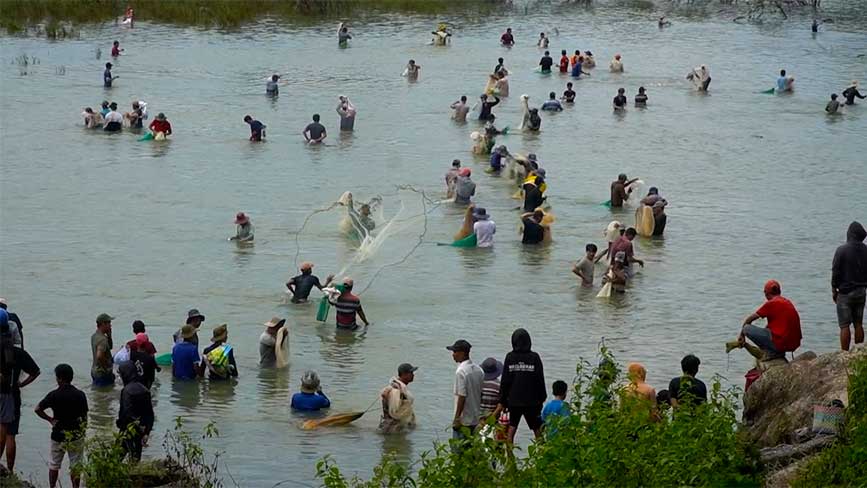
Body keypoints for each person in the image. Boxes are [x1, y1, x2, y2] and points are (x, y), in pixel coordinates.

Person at [34, 364, 86, 488]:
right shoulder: (80, 394)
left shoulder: (53, 394)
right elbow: (85, 416)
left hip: (58, 434)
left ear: (60, 379)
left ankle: (52, 486)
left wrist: (50, 419)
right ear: (71, 377)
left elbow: (37, 409)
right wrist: (83, 430)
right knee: (76, 465)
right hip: (76, 434)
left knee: (54, 464)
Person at [0, 312, 40, 472]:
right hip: (11, 394)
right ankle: (10, 471)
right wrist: (21, 384)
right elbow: (35, 372)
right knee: (10, 433)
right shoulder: (16, 352)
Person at [493, 328, 546, 443]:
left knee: (511, 431)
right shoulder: (534, 357)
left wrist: (503, 400)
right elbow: (539, 379)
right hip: (532, 401)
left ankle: (510, 458)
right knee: (538, 431)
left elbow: (505, 381)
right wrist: (542, 398)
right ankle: (543, 455)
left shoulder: (510, 357)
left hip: (514, 401)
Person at [729, 280, 802, 361]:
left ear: (766, 293)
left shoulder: (771, 303)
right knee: (767, 328)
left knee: (746, 328)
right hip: (792, 344)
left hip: (780, 343)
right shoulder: (787, 302)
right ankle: (778, 351)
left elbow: (750, 319)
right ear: (779, 291)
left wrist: (742, 335)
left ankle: (772, 352)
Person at [832, 221, 867, 351]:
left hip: (845, 293)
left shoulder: (841, 250)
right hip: (861, 292)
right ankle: (859, 351)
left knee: (844, 325)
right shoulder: (866, 250)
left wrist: (834, 289)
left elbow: (835, 271)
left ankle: (844, 353)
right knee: (858, 324)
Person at [116, 362, 154, 462]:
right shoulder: (145, 389)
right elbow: (150, 414)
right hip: (140, 431)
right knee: (135, 459)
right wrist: (146, 431)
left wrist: (120, 423)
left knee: (116, 457)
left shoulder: (126, 391)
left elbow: (126, 412)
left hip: (127, 429)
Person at [447, 340, 484, 441]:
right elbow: (481, 393)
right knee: (471, 451)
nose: (453, 355)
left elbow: (462, 396)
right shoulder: (479, 370)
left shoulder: (461, 371)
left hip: (464, 421)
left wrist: (457, 418)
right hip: (475, 419)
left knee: (458, 452)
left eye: (455, 352)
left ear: (462, 353)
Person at [379, 363, 417, 434]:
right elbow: (394, 412)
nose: (413, 375)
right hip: (393, 429)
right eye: (411, 373)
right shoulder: (396, 391)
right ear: (404, 374)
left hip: (391, 426)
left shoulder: (396, 388)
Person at [90, 313, 115, 386]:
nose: (110, 325)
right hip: (102, 373)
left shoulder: (94, 336)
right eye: (109, 323)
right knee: (106, 395)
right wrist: (106, 369)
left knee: (99, 394)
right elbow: (99, 356)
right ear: (103, 324)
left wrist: (109, 336)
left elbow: (109, 347)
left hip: (94, 370)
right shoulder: (102, 339)